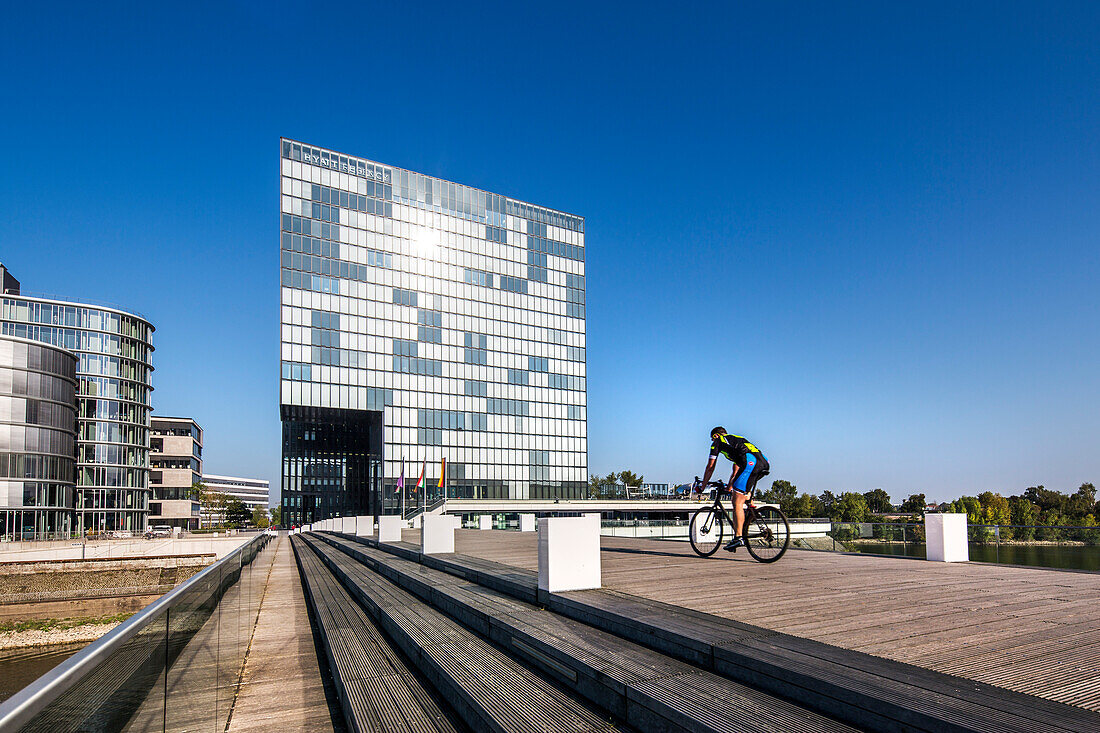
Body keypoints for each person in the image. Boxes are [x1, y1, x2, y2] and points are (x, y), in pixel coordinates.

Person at [699, 426, 770, 552]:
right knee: (742, 494)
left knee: (736, 502)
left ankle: (738, 537)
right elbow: (736, 471)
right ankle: (752, 515)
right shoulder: (735, 441)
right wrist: (729, 486)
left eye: (712, 439)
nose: (712, 441)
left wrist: (702, 486)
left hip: (750, 464)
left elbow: (710, 467)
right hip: (763, 463)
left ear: (716, 435)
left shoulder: (718, 441)